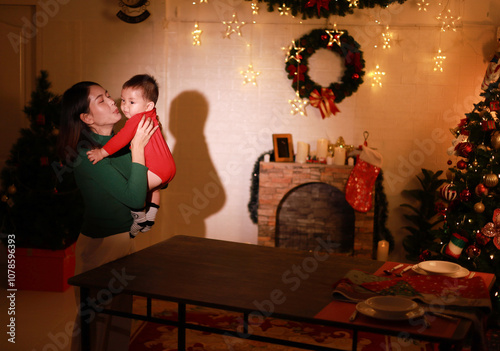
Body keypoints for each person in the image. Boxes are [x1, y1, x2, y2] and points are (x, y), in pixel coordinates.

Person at [57, 81, 157, 351]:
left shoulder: (119, 141)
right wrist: (138, 149)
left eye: (108, 96)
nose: (113, 102)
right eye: (101, 100)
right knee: (94, 326)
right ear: (87, 118)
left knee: (119, 323)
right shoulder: (85, 155)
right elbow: (135, 198)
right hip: (100, 248)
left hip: (124, 242)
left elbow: (149, 182)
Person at [87, 74, 176, 236]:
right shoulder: (152, 116)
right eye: (123, 100)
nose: (125, 106)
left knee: (137, 185)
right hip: (168, 167)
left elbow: (120, 139)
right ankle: (150, 217)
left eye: (132, 102)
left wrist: (101, 152)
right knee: (154, 189)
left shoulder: (136, 120)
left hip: (157, 169)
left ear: (148, 105)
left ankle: (139, 219)